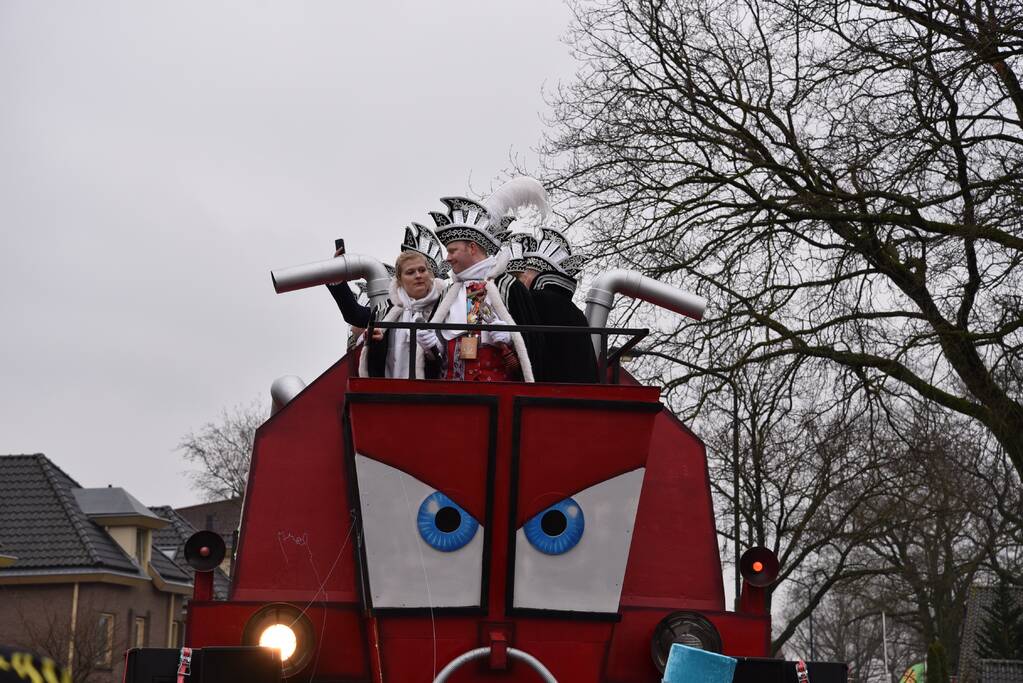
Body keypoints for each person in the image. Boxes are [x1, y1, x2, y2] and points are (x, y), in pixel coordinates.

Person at [425, 197, 541, 381]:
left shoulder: (509, 287)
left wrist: (510, 338)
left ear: (472, 248)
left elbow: (536, 345)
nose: (447, 258)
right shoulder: (448, 293)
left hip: (499, 399)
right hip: (450, 397)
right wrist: (431, 346)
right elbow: (436, 357)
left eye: (452, 250)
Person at [327, 224, 448, 378]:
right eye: (410, 272)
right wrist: (335, 274)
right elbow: (354, 314)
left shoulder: (444, 305)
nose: (418, 275)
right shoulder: (385, 311)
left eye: (422, 270)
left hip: (430, 396)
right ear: (400, 280)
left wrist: (432, 346)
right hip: (388, 395)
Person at [505, 228, 599, 383]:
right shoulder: (571, 308)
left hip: (550, 388)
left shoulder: (538, 300)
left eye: (521, 278)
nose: (518, 284)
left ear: (532, 278)